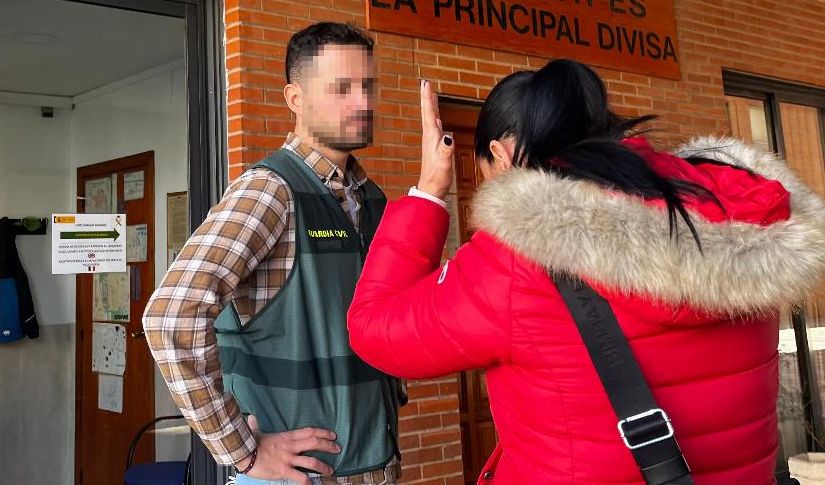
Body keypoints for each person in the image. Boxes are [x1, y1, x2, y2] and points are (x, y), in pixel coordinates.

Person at [348, 59, 825, 485]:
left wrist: (429, 191)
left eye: (485, 172)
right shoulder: (739, 211)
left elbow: (374, 330)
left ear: (504, 154)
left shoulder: (518, 260)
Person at [144, 22, 408, 485]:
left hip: (372, 466)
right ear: (295, 99)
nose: (363, 102)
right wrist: (242, 451)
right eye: (341, 88)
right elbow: (171, 317)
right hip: (296, 477)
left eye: (368, 86)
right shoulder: (271, 191)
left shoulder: (372, 200)